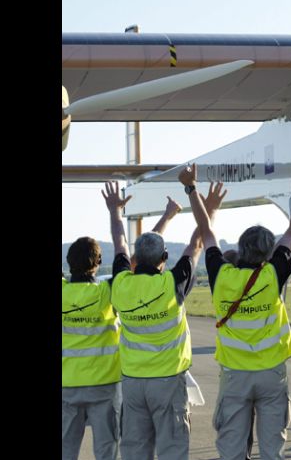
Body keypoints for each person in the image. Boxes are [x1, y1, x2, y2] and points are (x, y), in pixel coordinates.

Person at [184, 162, 291, 460]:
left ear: (240, 249)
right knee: (272, 449)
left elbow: (205, 232)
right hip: (272, 373)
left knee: (232, 449)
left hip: (235, 374)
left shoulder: (222, 276)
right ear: (269, 252)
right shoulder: (273, 275)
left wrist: (192, 189)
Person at [110, 179, 225, 460]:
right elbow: (197, 242)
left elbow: (119, 243)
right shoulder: (173, 284)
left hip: (134, 382)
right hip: (168, 381)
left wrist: (114, 212)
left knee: (135, 451)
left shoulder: (121, 285)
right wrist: (208, 209)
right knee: (173, 449)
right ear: (164, 257)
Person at [62, 181, 132, 460]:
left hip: (67, 384)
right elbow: (122, 250)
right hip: (104, 384)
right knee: (106, 451)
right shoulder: (109, 291)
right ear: (98, 263)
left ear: (68, 262)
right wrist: (115, 213)